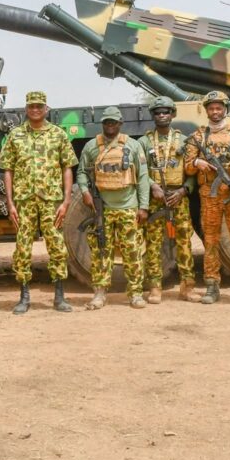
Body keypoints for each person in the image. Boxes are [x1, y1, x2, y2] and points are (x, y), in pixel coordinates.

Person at [0, 91, 78, 314]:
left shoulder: (58, 134)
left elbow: (67, 167)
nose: (35, 110)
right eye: (31, 106)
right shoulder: (15, 135)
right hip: (24, 201)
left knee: (57, 246)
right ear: (26, 109)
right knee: (22, 247)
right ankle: (24, 297)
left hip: (51, 200)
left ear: (46, 109)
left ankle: (59, 296)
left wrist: (66, 201)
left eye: (39, 106)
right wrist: (10, 203)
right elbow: (7, 170)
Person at [183, 91, 230, 304]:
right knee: (211, 242)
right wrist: (197, 163)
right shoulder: (198, 136)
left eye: (219, 108)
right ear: (206, 111)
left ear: (225, 109)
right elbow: (187, 168)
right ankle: (211, 287)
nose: (215, 112)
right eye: (211, 108)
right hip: (209, 197)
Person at [76, 106, 150, 309]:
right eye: (106, 122)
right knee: (101, 252)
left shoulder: (133, 145)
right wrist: (85, 191)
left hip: (128, 207)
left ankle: (135, 293)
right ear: (103, 124)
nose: (110, 125)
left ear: (120, 124)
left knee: (132, 252)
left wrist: (143, 206)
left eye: (113, 122)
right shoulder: (92, 146)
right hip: (102, 209)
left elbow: (143, 177)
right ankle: (99, 293)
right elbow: (81, 172)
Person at [137, 96, 196, 303]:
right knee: (153, 243)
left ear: (172, 114)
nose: (162, 115)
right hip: (155, 198)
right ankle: (154, 287)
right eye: (158, 112)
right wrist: (153, 186)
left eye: (166, 112)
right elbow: (140, 171)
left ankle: (187, 287)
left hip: (178, 197)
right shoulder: (144, 142)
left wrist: (184, 190)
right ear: (153, 116)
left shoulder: (184, 140)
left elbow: (192, 172)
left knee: (184, 242)